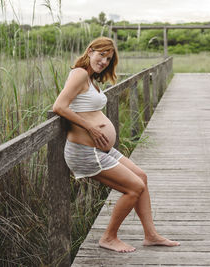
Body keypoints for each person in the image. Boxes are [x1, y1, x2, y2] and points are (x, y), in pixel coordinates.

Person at [52, 36, 179, 253]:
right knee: (134, 187)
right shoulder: (80, 73)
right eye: (101, 55)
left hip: (100, 149)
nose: (104, 61)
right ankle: (109, 237)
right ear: (90, 50)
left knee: (142, 177)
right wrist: (91, 128)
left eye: (108, 59)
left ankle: (151, 235)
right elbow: (59, 106)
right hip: (84, 151)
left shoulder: (92, 79)